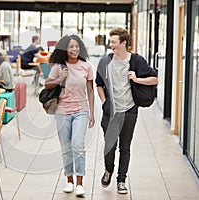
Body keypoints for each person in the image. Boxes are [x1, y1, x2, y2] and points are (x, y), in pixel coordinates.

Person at [95, 27, 158, 194]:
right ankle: (108, 170)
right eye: (111, 42)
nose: (111, 45)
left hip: (130, 111)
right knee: (110, 146)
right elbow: (99, 84)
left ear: (123, 43)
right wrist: (104, 102)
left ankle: (121, 180)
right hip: (111, 112)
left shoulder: (137, 61)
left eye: (114, 42)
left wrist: (137, 79)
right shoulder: (105, 61)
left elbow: (155, 79)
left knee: (125, 147)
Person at [44, 35, 95, 196]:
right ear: (65, 49)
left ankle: (80, 183)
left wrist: (92, 113)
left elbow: (90, 91)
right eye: (71, 47)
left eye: (77, 46)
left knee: (77, 145)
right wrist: (61, 78)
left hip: (81, 110)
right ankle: (69, 181)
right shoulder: (59, 67)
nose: (74, 49)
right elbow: (47, 84)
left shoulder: (86, 66)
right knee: (66, 147)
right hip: (62, 112)